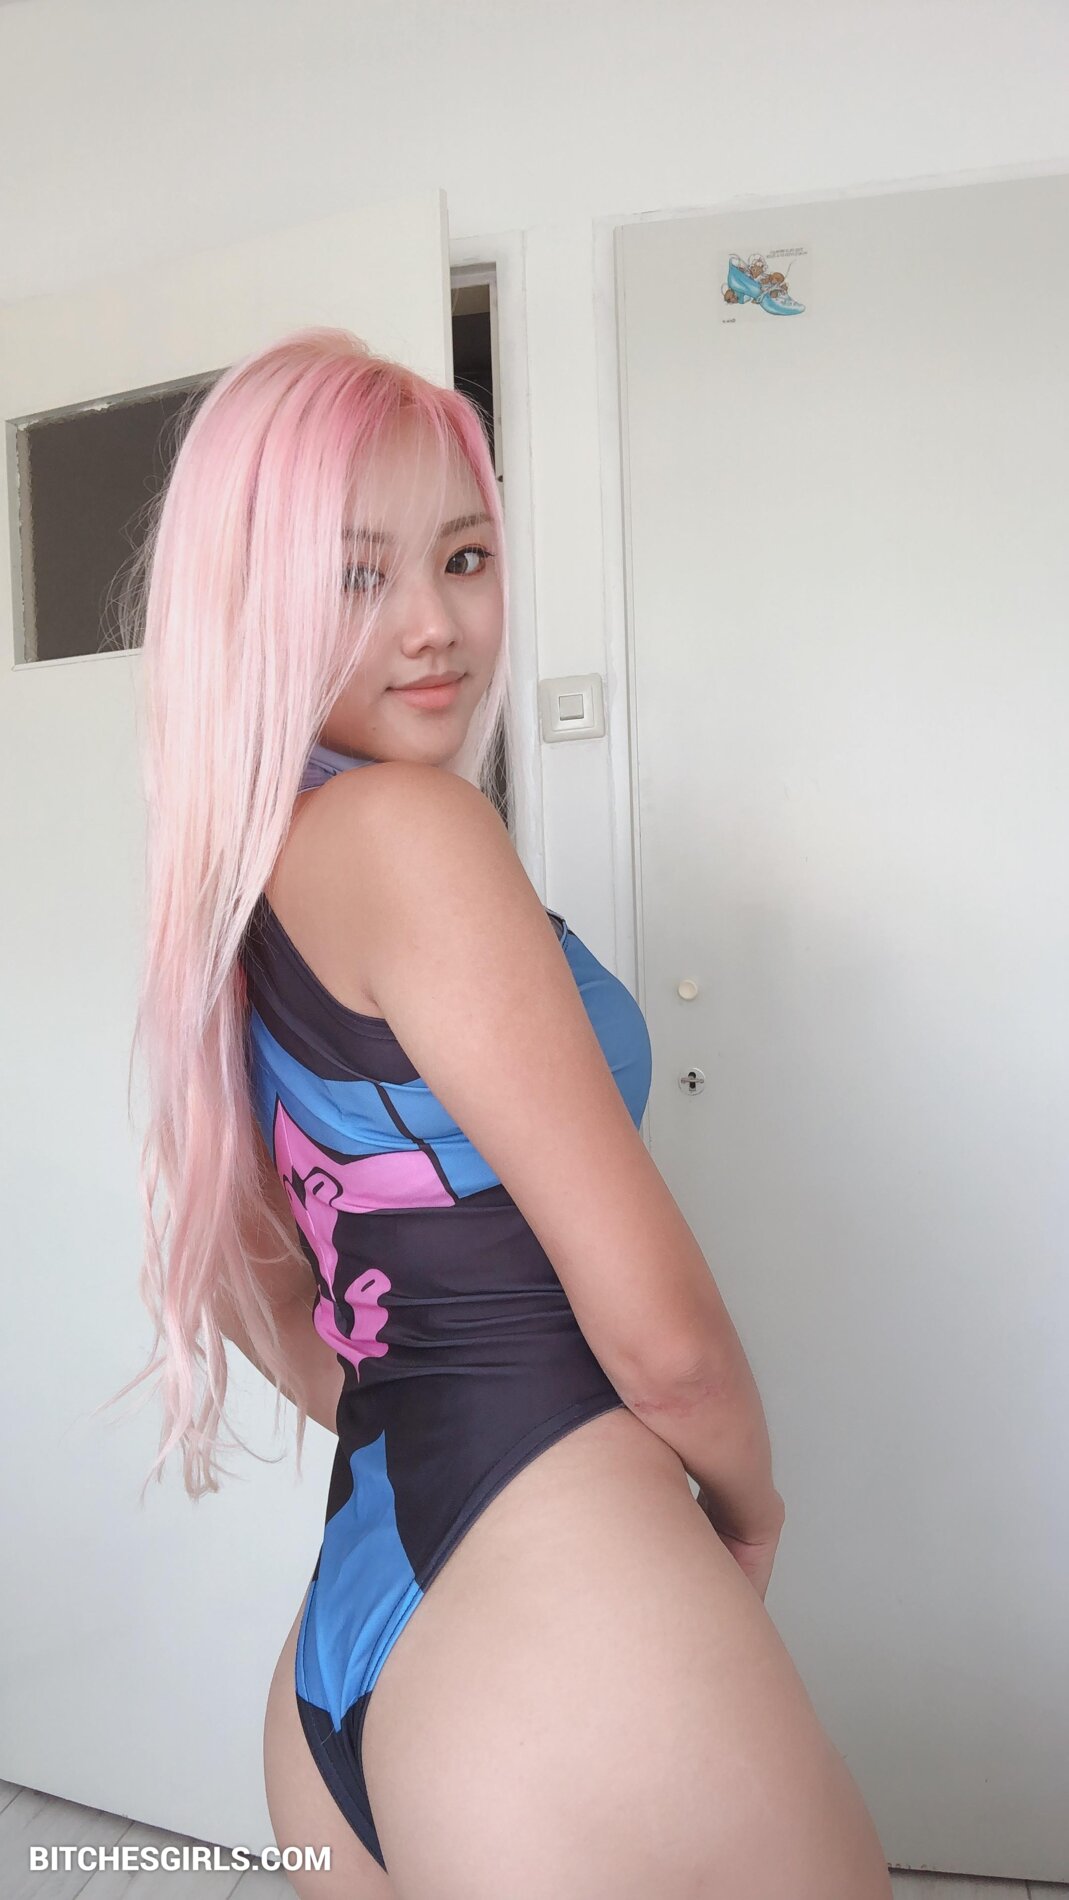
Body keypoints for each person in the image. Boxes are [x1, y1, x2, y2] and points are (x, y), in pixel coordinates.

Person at [107, 328, 891, 1898]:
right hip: (567, 1631)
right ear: (245, 599)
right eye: (355, 575)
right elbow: (663, 1344)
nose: (435, 623)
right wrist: (745, 1513)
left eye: (463, 557)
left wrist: (438, 1388)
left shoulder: (233, 893)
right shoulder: (413, 829)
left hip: (348, 1658)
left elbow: (256, 1277)